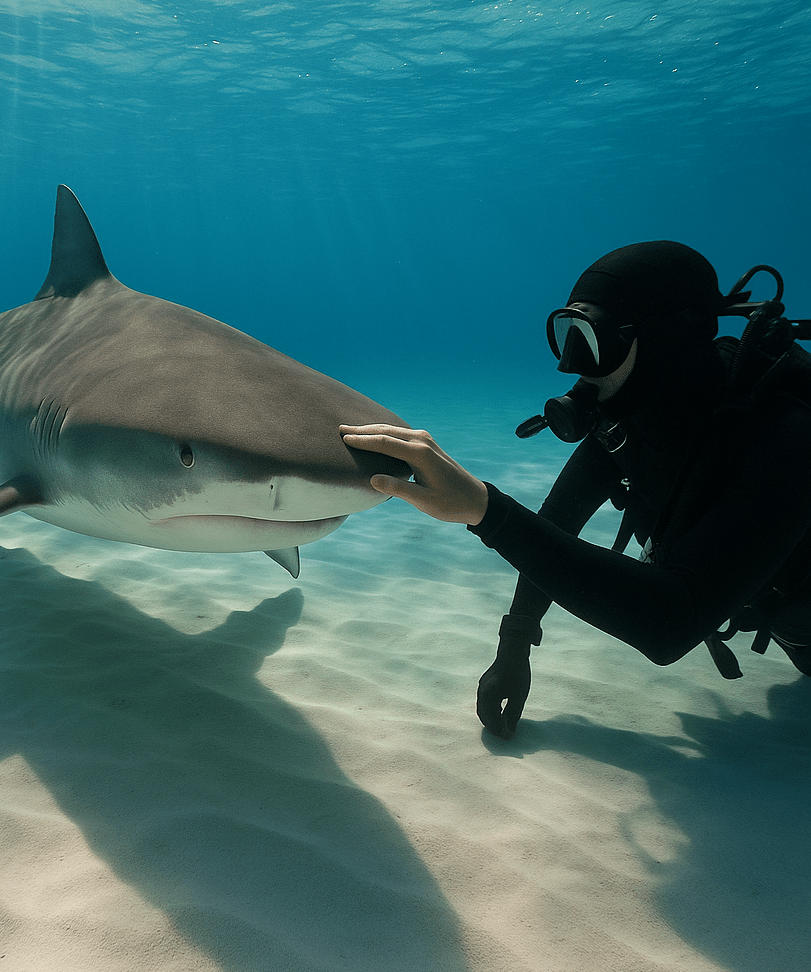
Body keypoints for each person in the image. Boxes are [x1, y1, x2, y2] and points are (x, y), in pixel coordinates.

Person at [341, 241, 811, 740]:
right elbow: (555, 525)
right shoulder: (630, 425)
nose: (573, 366)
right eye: (568, 334)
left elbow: (672, 623)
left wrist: (483, 509)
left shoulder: (787, 432)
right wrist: (514, 646)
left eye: (594, 340)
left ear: (664, 339)